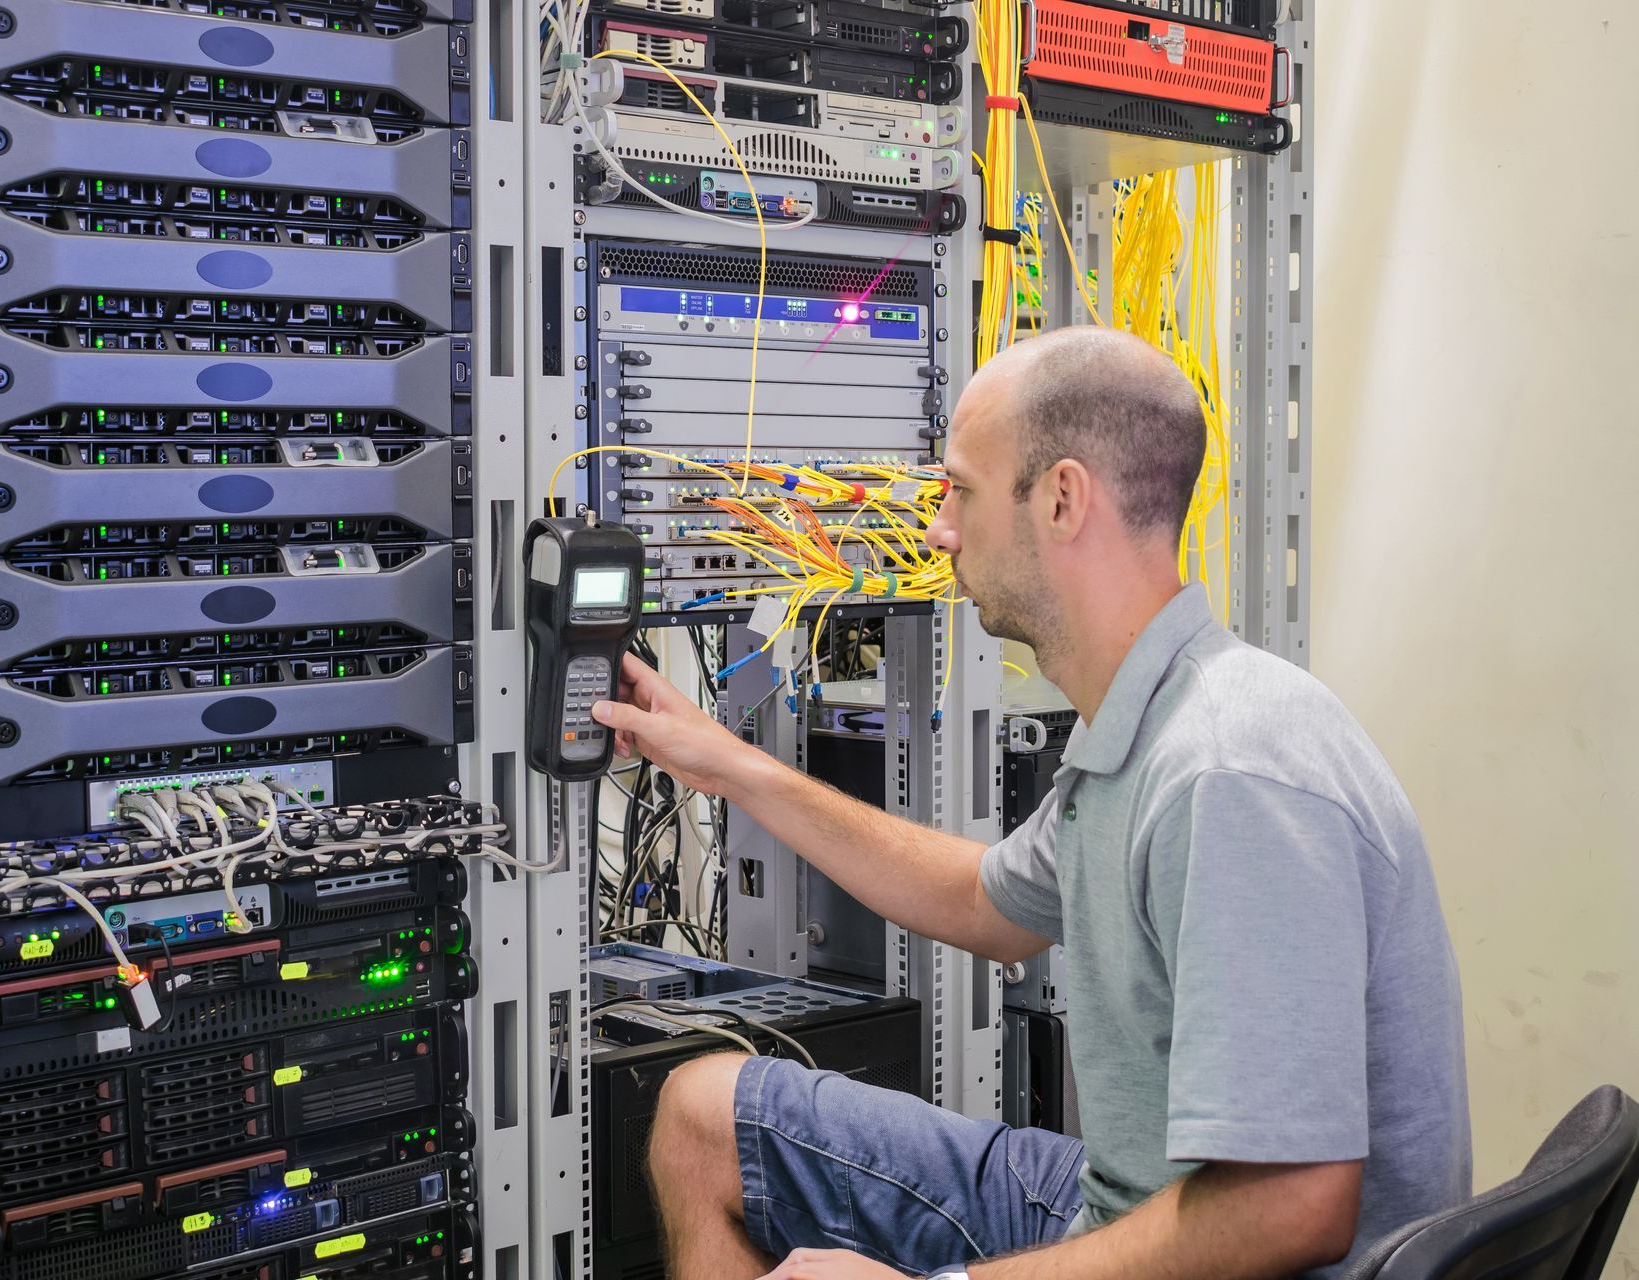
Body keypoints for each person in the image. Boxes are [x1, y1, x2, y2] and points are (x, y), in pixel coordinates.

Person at [589, 327, 1471, 1280]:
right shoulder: (1145, 721)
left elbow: (1288, 1211)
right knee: (701, 1118)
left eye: (961, 490)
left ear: (1061, 498)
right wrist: (727, 764)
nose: (938, 530)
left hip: (1246, 1255)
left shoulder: (1226, 773)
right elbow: (987, 904)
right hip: (1132, 1198)